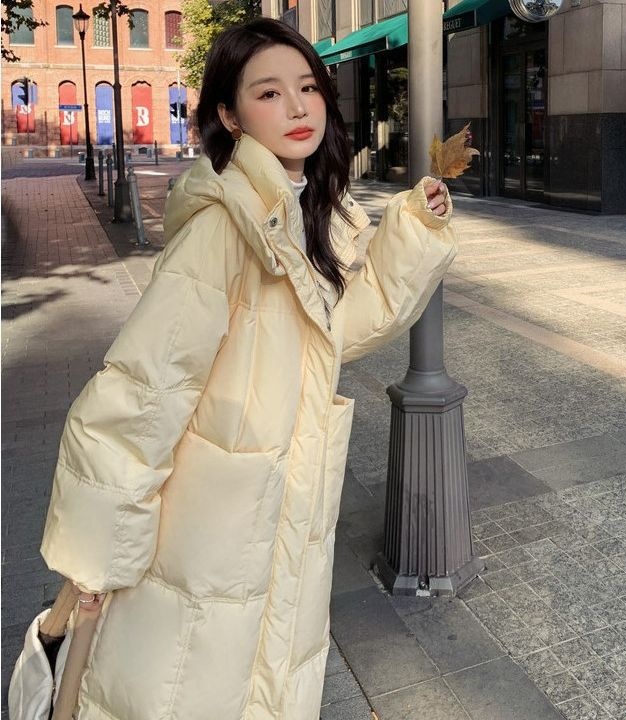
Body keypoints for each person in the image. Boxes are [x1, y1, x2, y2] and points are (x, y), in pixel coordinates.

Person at [40, 17, 456, 720]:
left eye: (308, 87)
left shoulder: (300, 215)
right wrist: (95, 553)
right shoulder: (223, 228)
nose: (297, 107)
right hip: (203, 540)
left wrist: (413, 229)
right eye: (268, 93)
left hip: (276, 525)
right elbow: (145, 390)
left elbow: (337, 332)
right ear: (230, 116)